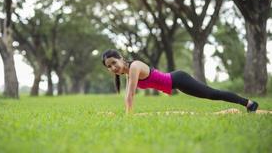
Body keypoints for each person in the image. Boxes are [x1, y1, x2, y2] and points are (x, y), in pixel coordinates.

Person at [102, 49, 259, 114]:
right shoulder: (129, 73)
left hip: (178, 79)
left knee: (212, 93)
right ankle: (248, 104)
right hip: (176, 83)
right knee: (210, 95)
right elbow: (129, 94)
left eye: (114, 62)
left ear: (121, 58)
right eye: (109, 66)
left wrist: (129, 117)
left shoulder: (134, 67)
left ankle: (249, 103)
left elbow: (130, 95)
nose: (113, 67)